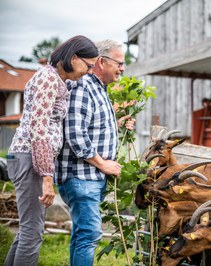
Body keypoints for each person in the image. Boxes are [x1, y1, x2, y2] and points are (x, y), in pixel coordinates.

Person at [5, 35, 99, 266]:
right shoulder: (48, 79)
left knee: (29, 229)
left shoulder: (57, 79)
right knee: (32, 232)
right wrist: (47, 177)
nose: (88, 72)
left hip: (30, 158)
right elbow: (38, 129)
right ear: (74, 58)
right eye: (88, 66)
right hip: (29, 157)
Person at [55, 39, 134, 266]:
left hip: (90, 177)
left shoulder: (99, 88)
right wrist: (102, 164)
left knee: (82, 234)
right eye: (119, 63)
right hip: (81, 176)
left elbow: (92, 127)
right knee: (89, 234)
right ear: (101, 61)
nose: (122, 68)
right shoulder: (82, 86)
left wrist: (118, 124)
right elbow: (75, 134)